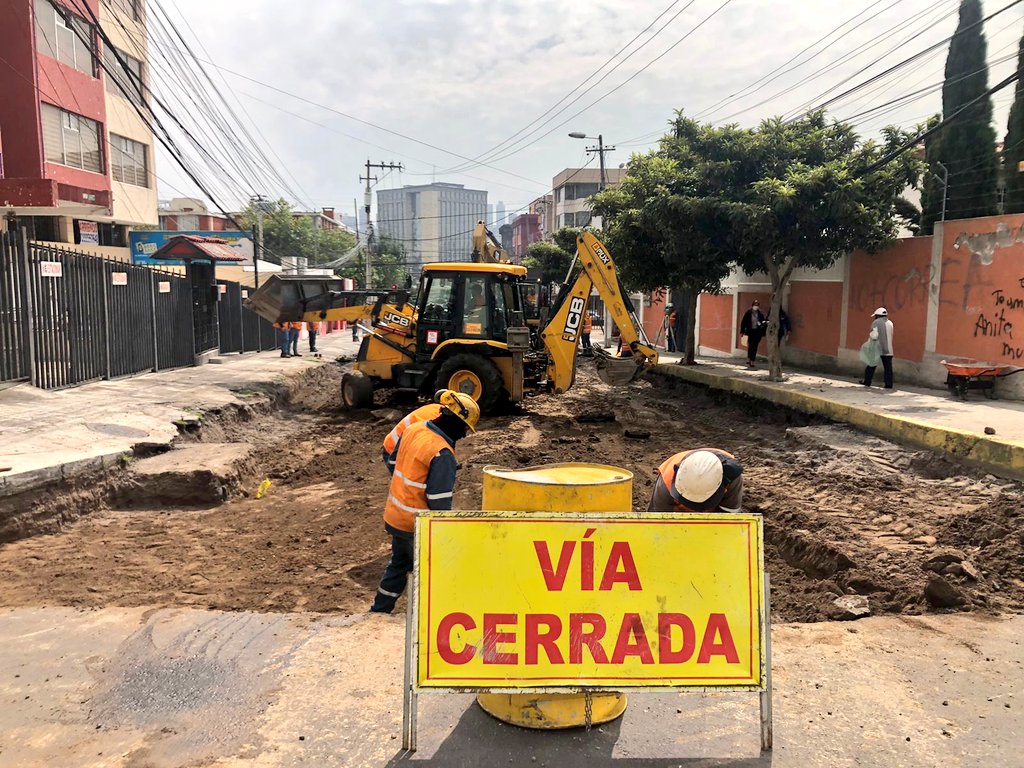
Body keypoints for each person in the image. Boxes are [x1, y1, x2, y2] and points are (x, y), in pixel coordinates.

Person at [370, 390, 480, 614]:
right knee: (436, 573)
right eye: (465, 429)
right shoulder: (442, 453)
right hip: (417, 525)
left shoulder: (414, 429)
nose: (465, 435)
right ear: (457, 421)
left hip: (395, 516)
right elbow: (438, 502)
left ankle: (379, 610)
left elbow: (393, 461)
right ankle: (433, 619)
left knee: (399, 564)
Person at [648, 449, 744, 514]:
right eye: (687, 507)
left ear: (724, 490)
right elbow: (656, 527)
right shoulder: (666, 483)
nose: (694, 513)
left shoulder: (732, 479)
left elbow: (730, 522)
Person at [380, 390, 449, 473]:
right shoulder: (435, 420)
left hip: (400, 446)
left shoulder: (437, 411)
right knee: (411, 482)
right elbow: (430, 448)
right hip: (395, 449)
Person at [860, 307, 895, 390]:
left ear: (877, 316)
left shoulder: (876, 322)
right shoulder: (890, 323)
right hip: (888, 349)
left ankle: (867, 381)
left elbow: (874, 335)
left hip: (877, 348)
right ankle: (888, 384)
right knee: (888, 368)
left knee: (871, 365)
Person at [739, 300, 766, 369]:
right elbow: (743, 322)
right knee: (751, 345)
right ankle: (749, 358)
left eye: (757, 305)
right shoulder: (748, 313)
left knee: (755, 347)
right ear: (752, 305)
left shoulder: (760, 313)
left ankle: (752, 361)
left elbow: (763, 322)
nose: (756, 306)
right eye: (755, 305)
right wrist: (742, 332)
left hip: (757, 332)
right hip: (750, 332)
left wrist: (761, 323)